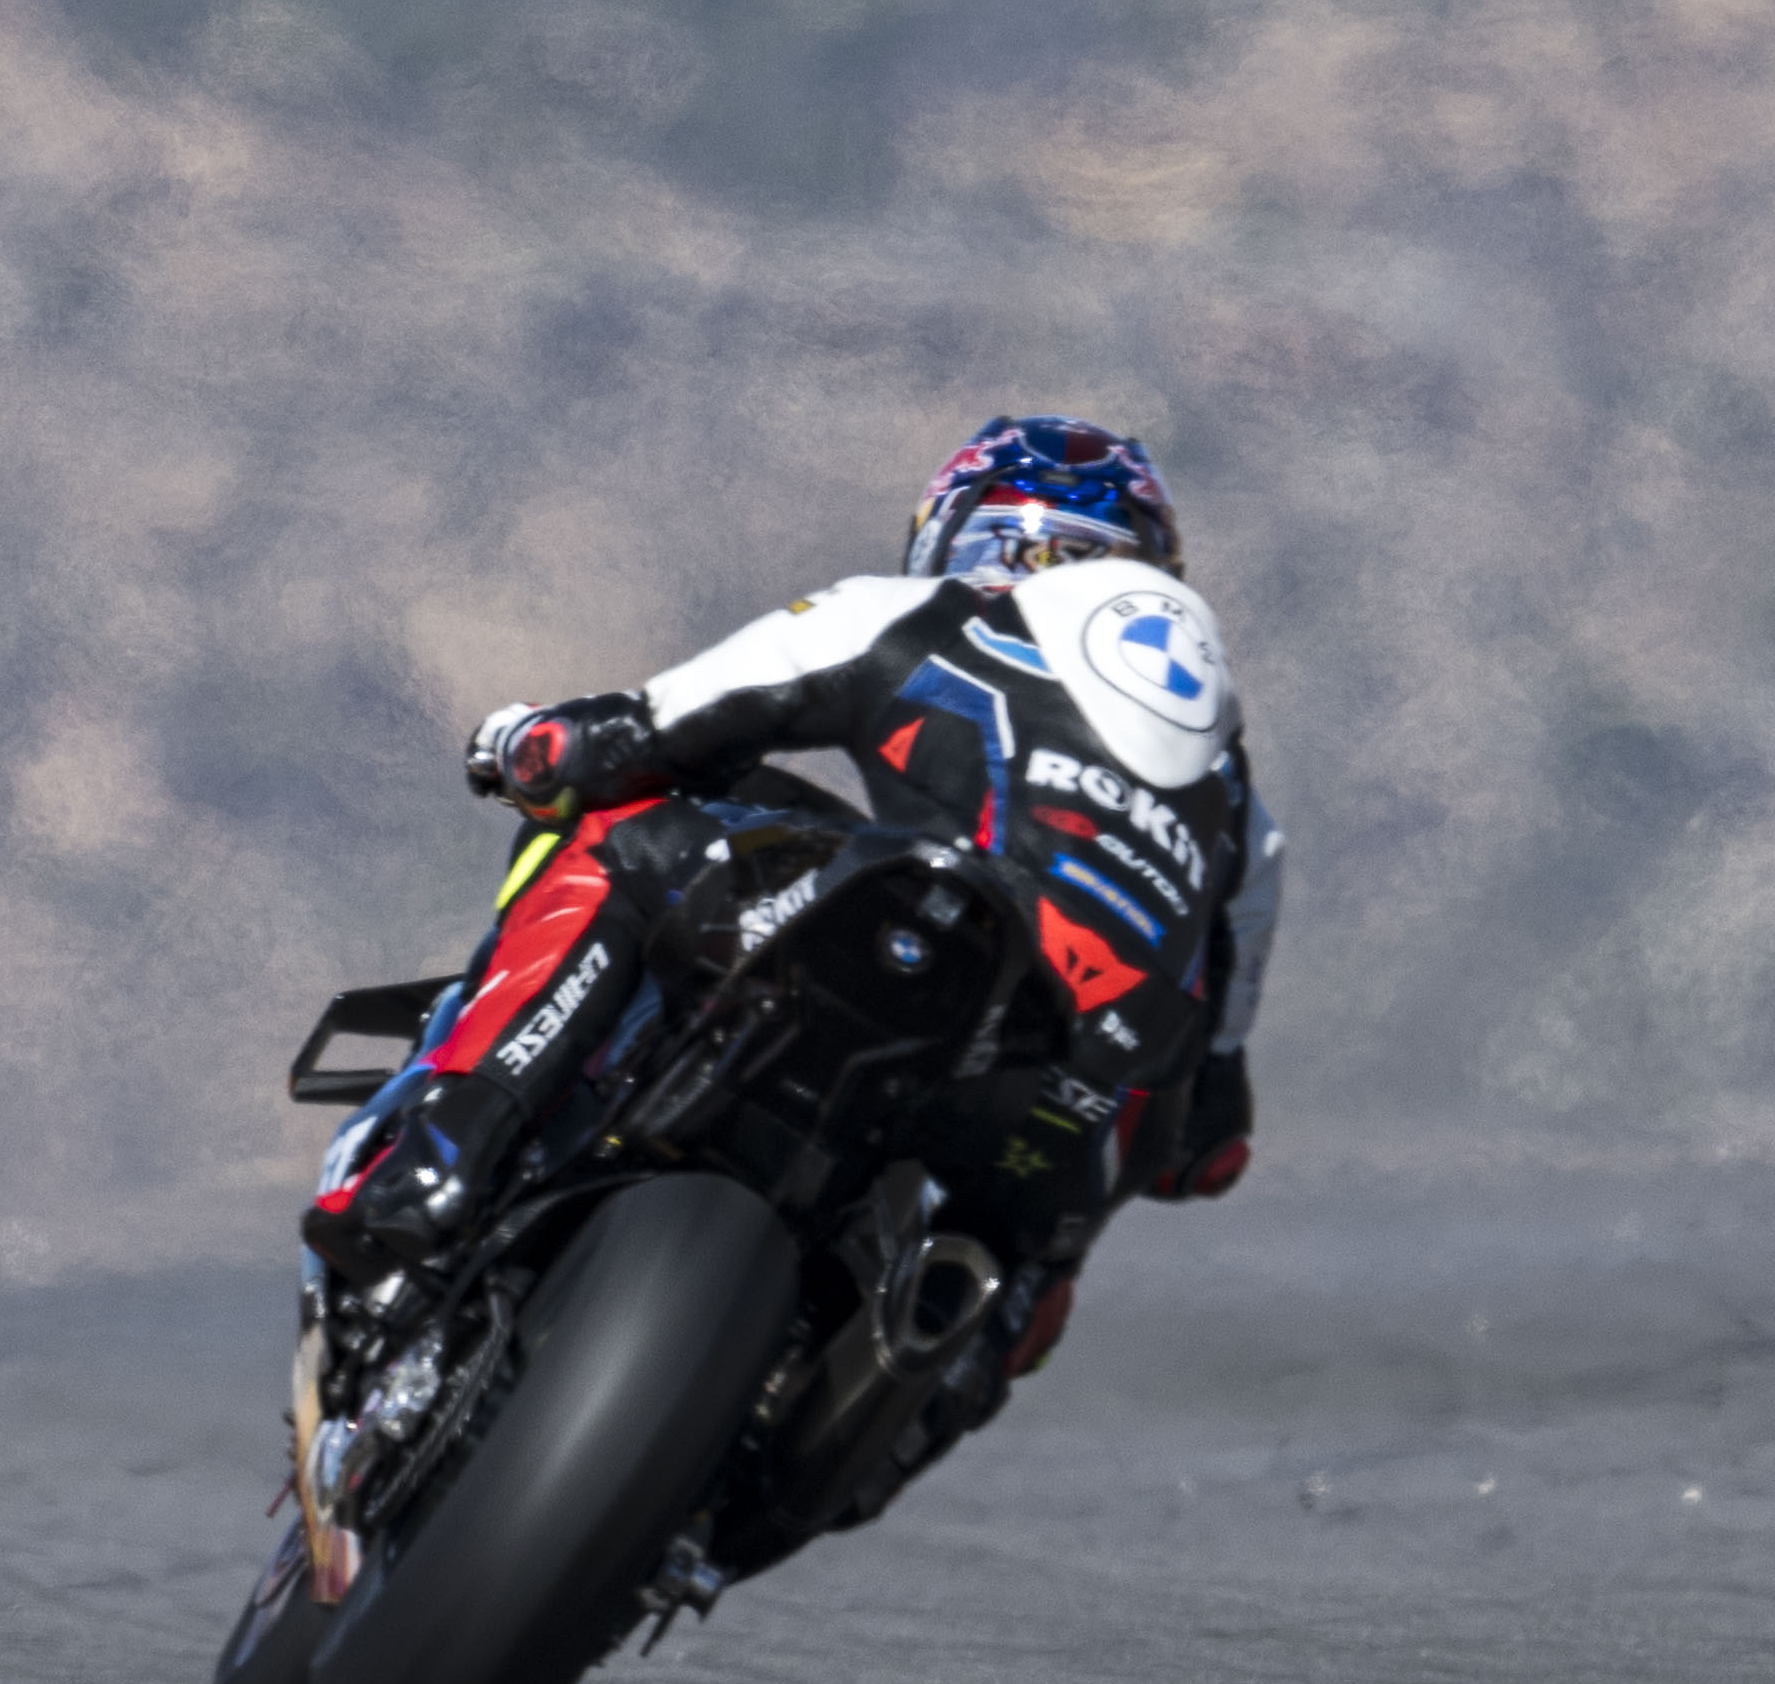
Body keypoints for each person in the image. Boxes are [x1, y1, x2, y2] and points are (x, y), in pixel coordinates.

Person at [308, 415, 1273, 1419]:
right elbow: (1217, 1112)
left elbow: (634, 736)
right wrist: (1177, 1156)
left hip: (908, 943)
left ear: (961, 535)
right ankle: (935, 1383)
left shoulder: (915, 613)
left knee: (617, 829)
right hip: (1058, 1103)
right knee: (1027, 1284)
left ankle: (444, 1153)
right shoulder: (1233, 786)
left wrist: (526, 745)